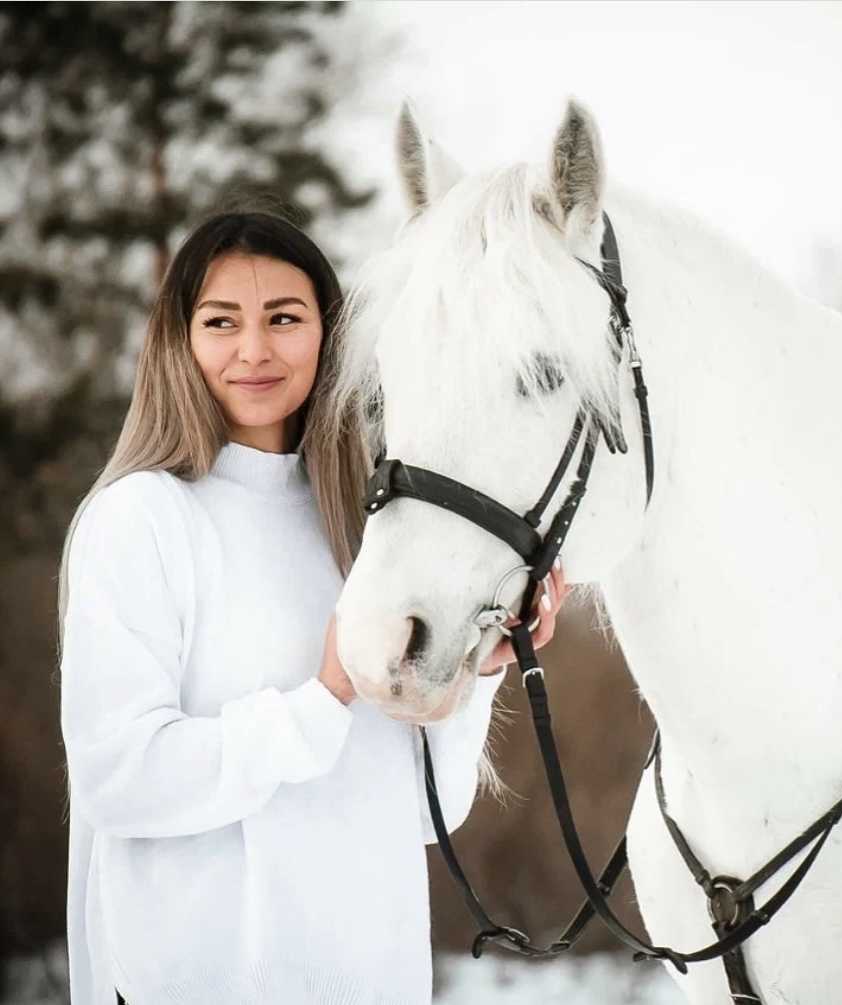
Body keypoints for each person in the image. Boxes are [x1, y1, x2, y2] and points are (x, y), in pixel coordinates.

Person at [55, 210, 569, 1005]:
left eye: (284, 318)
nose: (254, 350)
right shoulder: (142, 518)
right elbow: (118, 778)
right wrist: (321, 700)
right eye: (221, 322)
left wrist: (476, 671)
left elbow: (425, 810)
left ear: (329, 335)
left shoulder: (367, 531)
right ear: (178, 341)